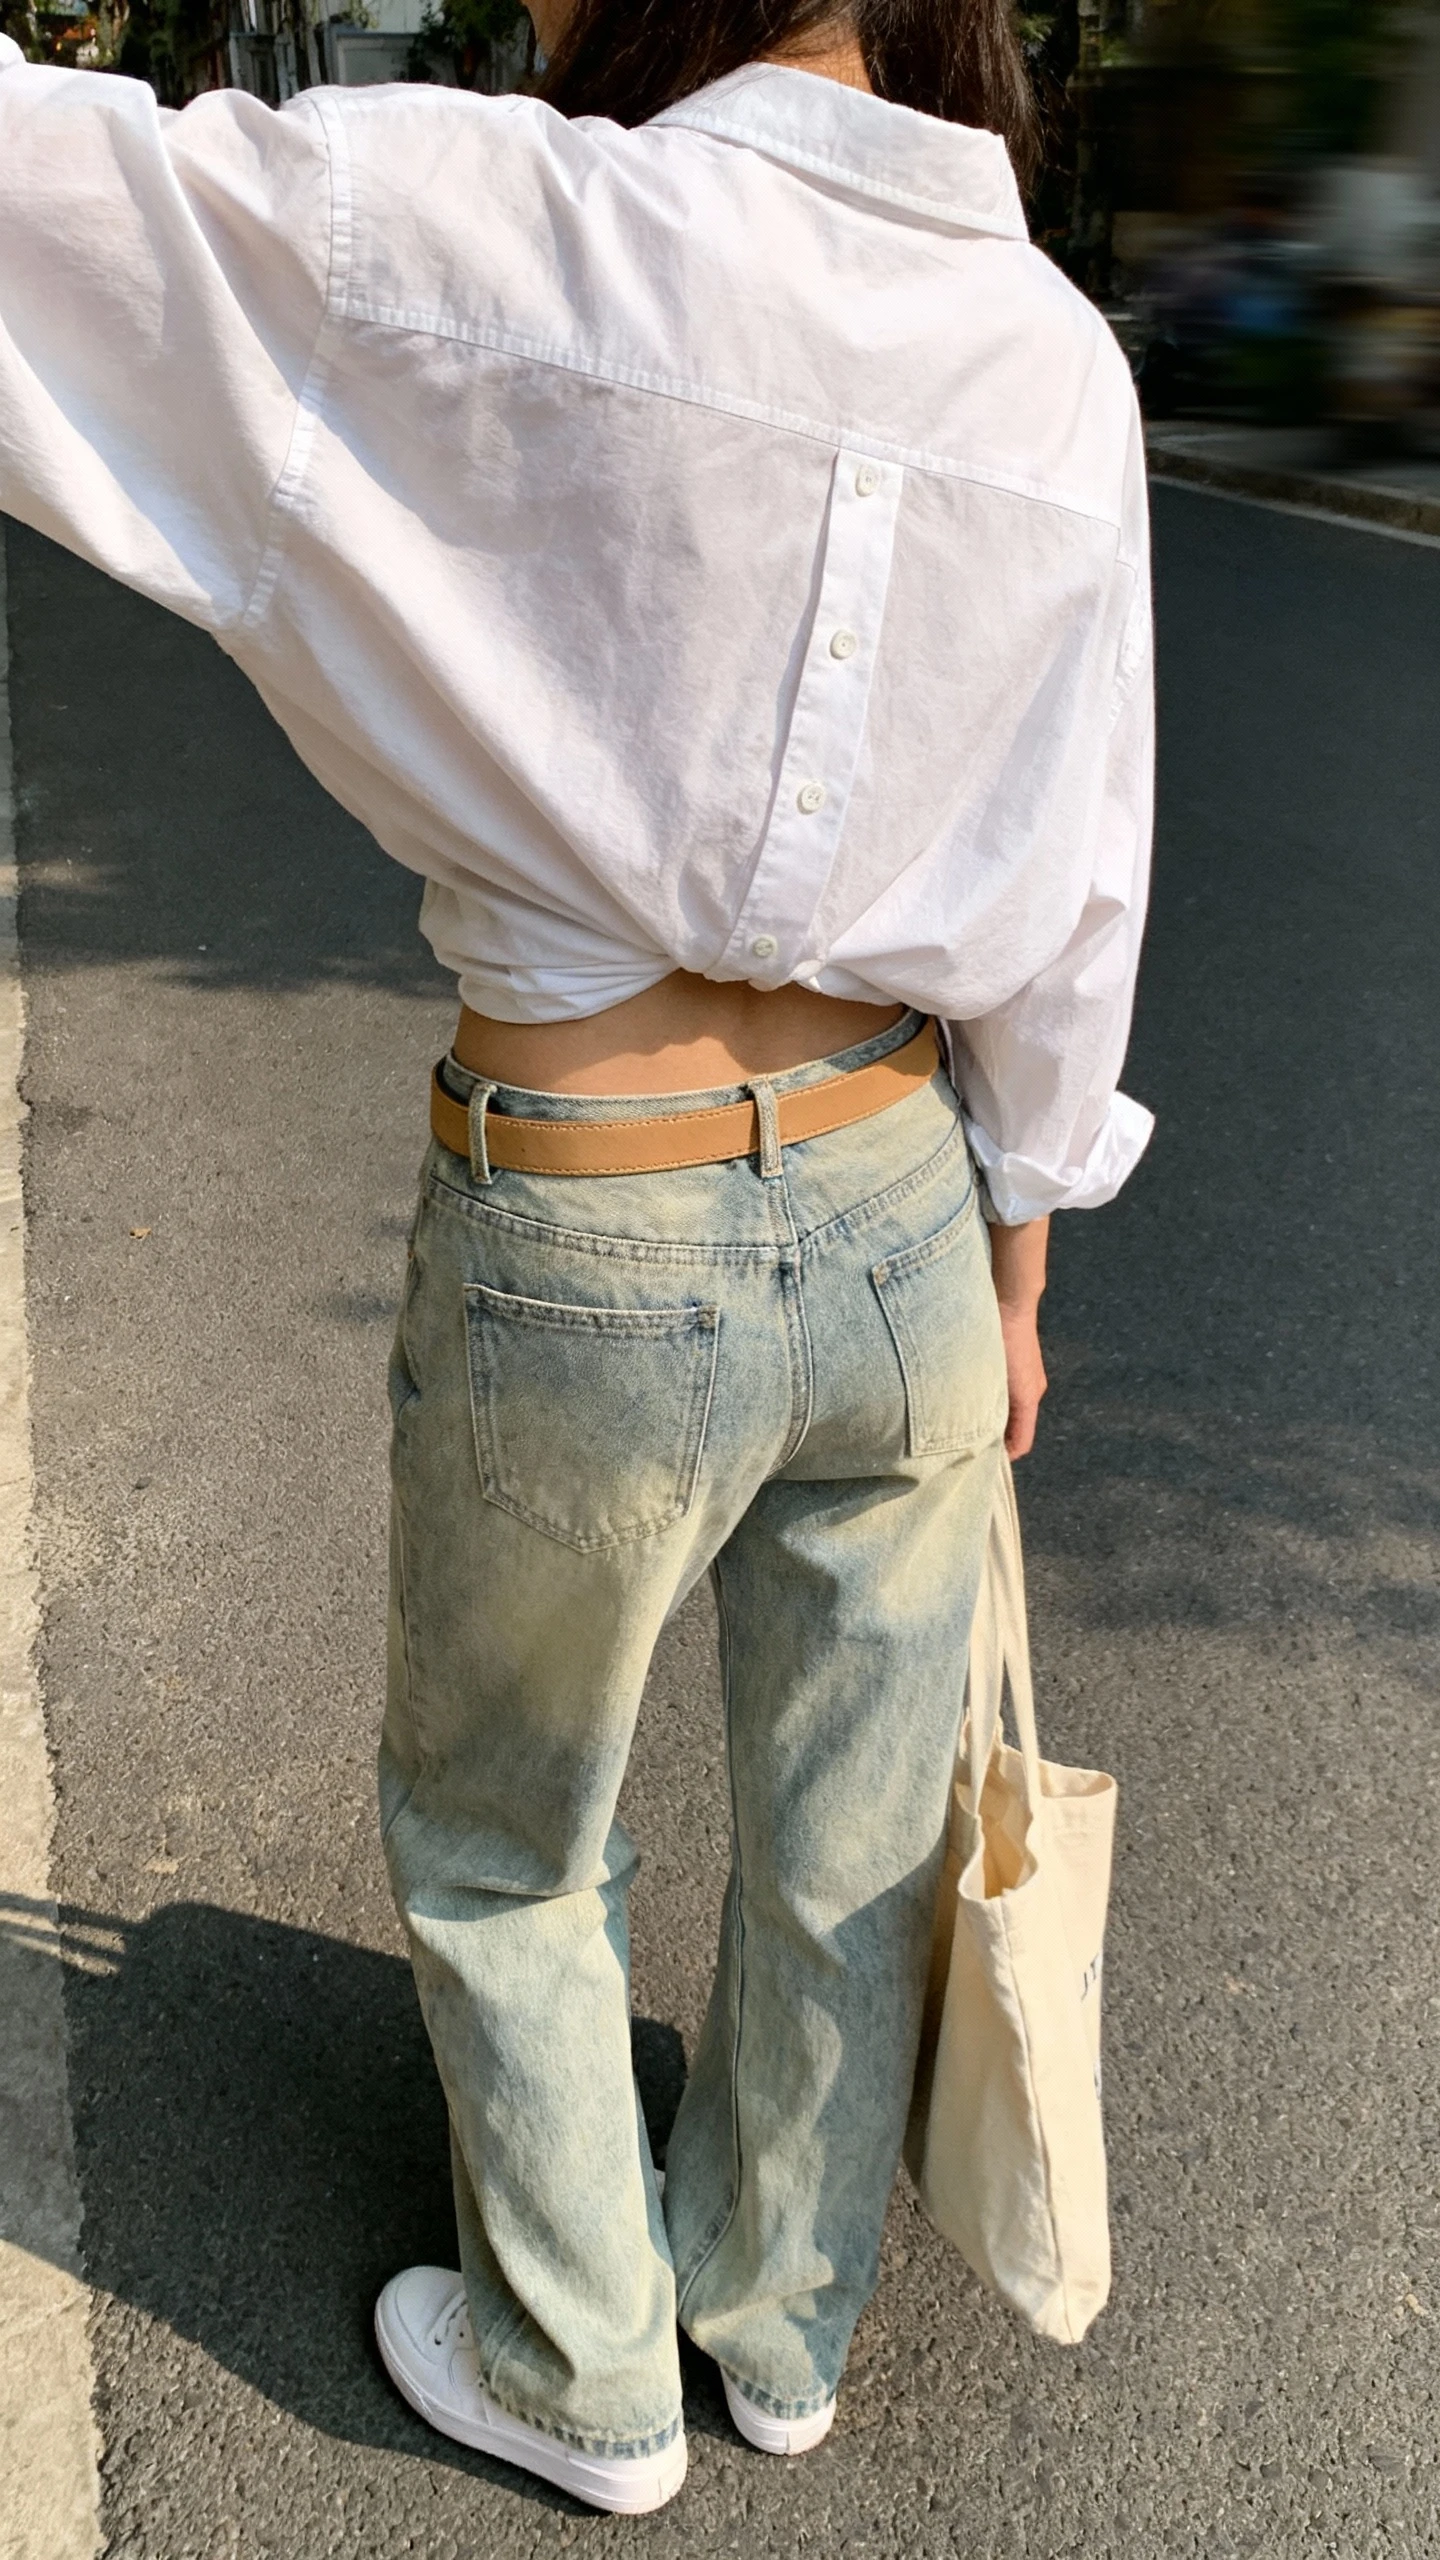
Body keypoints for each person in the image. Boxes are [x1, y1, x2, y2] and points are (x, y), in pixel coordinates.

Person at [0, 0, 1154, 2516]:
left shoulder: (489, 222)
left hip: (593, 1206)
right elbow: (1085, 870)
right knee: (844, 1831)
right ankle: (775, 2320)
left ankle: (572, 2361)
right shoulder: (1057, 363)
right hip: (905, 1194)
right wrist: (1031, 1245)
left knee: (514, 1832)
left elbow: (40, 195)